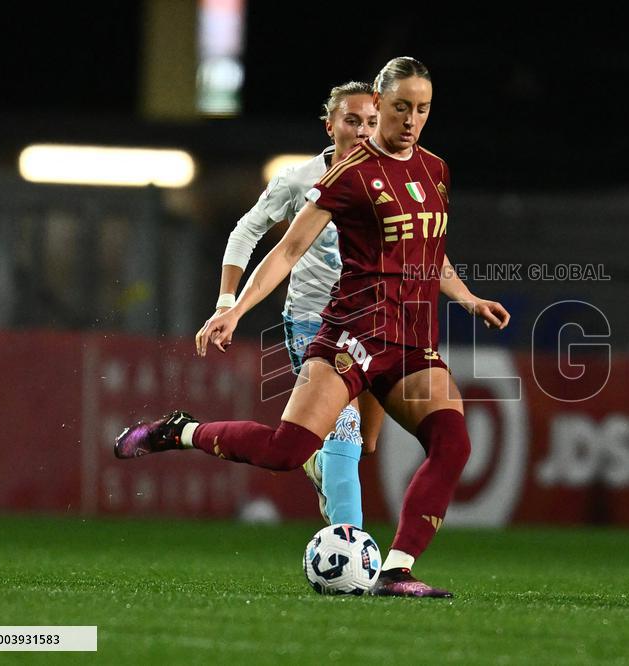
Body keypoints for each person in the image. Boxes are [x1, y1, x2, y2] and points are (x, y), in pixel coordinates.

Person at [116, 57, 509, 598]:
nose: (411, 119)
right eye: (401, 108)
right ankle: (180, 431)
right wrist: (234, 308)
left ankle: (395, 569)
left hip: (413, 344)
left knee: (452, 442)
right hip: (352, 335)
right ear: (380, 101)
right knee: (288, 451)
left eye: (422, 109)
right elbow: (288, 248)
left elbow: (429, 253)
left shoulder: (436, 170)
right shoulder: (349, 174)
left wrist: (466, 297)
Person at [198, 81, 386, 530]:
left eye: (372, 123)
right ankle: (350, 545)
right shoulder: (299, 180)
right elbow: (247, 232)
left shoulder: (392, 177)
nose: (362, 131)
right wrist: (229, 304)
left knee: (367, 442)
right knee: (345, 428)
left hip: (378, 321)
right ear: (330, 125)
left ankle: (319, 462)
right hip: (313, 321)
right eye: (352, 120)